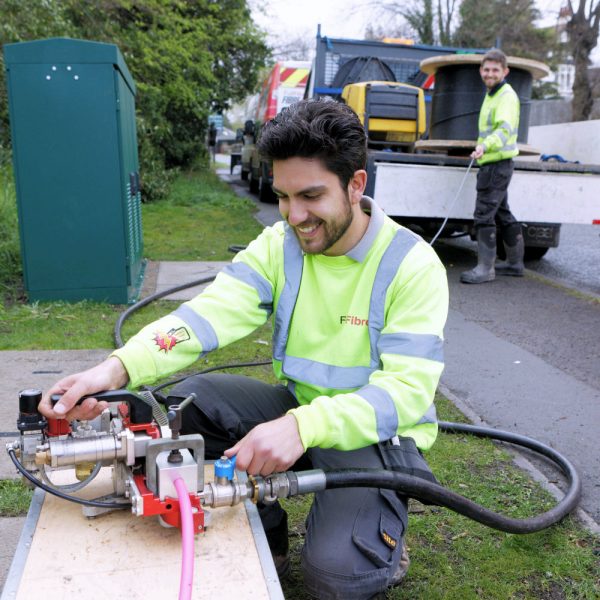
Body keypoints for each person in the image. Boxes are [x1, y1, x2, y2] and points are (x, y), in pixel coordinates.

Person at [39, 99, 448, 600]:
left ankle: (379, 532)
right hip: (299, 412)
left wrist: (304, 426)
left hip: (373, 437)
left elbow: (406, 392)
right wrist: (115, 369)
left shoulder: (413, 265)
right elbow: (204, 316)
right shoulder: (282, 244)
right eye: (283, 196)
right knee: (188, 406)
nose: (296, 216)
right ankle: (266, 528)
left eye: (311, 196)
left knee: (336, 577)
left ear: (356, 185)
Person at [461, 48, 525, 284]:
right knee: (502, 212)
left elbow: (504, 129)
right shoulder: (493, 94)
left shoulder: (505, 96)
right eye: (486, 69)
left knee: (483, 215)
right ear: (481, 71)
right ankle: (515, 263)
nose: (489, 73)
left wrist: (484, 146)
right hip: (496, 162)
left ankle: (485, 269)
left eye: (495, 70)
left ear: (505, 71)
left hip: (496, 163)